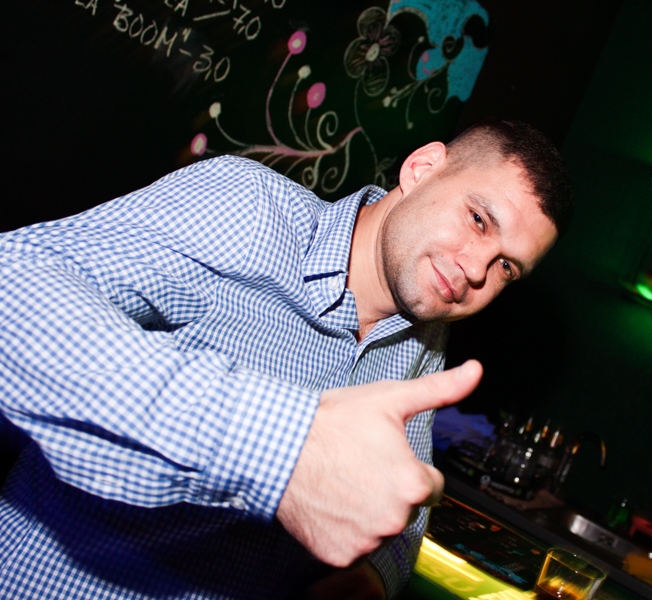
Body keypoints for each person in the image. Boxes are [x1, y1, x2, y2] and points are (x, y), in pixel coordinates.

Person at [0, 118, 572, 599]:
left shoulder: (422, 340)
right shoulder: (249, 211)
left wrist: (371, 577)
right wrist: (282, 448)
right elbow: (14, 289)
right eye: (478, 219)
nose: (476, 270)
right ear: (422, 169)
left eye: (506, 267)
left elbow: (409, 500)